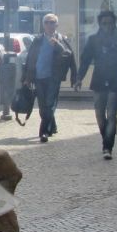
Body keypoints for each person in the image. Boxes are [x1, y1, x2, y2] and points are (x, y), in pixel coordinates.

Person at [74, 10, 117, 159]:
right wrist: (79, 78)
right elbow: (86, 61)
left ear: (114, 23)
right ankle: (105, 137)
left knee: (112, 114)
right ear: (100, 24)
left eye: (110, 23)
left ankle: (108, 147)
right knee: (100, 114)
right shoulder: (93, 40)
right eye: (104, 23)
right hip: (99, 80)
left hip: (115, 80)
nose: (107, 26)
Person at [22, 14, 75, 143]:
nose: (49, 25)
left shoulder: (61, 38)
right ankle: (52, 126)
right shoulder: (38, 39)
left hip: (53, 77)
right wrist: (26, 78)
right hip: (39, 77)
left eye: (52, 23)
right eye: (47, 22)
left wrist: (57, 45)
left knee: (49, 104)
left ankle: (43, 131)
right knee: (42, 106)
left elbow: (69, 56)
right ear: (43, 24)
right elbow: (30, 59)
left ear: (56, 25)